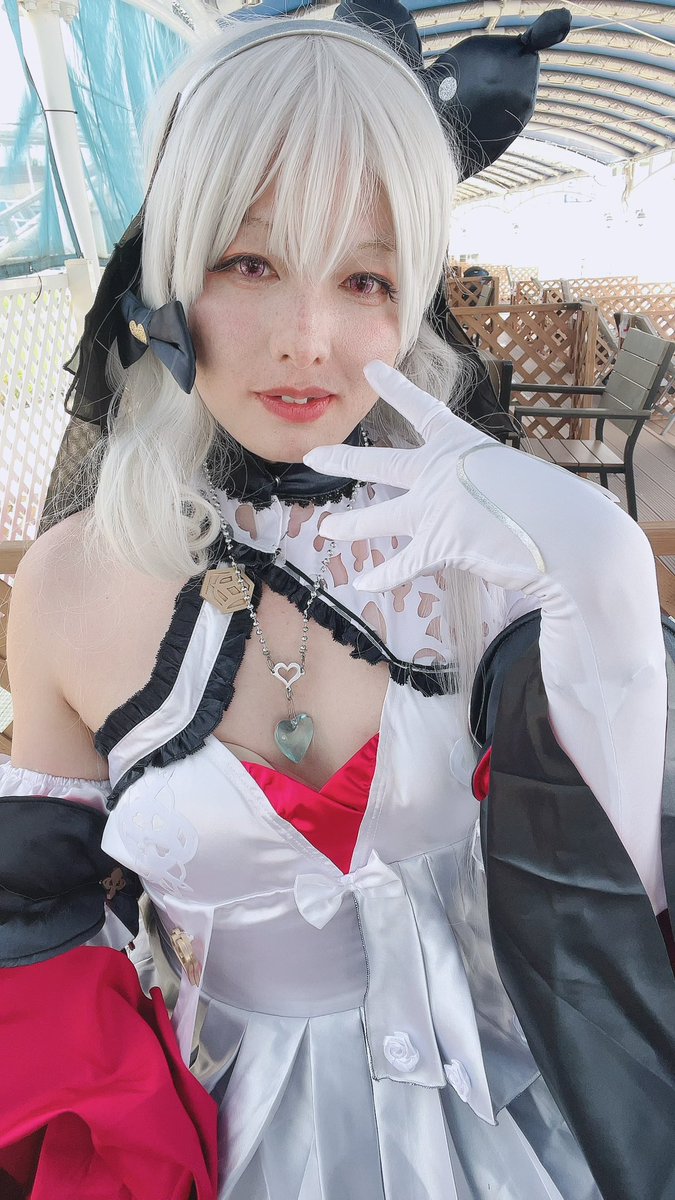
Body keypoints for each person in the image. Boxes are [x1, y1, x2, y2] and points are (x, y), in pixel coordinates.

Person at [1, 15, 674, 1200]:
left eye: (364, 278)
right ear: (168, 272)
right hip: (220, 1147)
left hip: (523, 1129)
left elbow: (614, 916)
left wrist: (609, 596)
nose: (307, 341)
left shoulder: (493, 554)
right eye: (249, 262)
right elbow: (35, 926)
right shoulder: (68, 584)